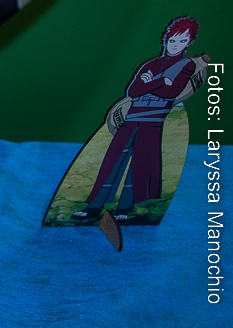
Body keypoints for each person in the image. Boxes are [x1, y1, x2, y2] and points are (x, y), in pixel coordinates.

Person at [74, 16, 200, 223]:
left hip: (154, 120)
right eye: (172, 40)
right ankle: (93, 207)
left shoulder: (186, 65)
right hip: (132, 117)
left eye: (182, 41)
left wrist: (150, 84)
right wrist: (161, 80)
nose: (176, 45)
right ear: (165, 39)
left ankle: (125, 208)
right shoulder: (150, 64)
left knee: (140, 164)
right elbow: (133, 91)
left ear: (189, 42)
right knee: (112, 160)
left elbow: (171, 92)